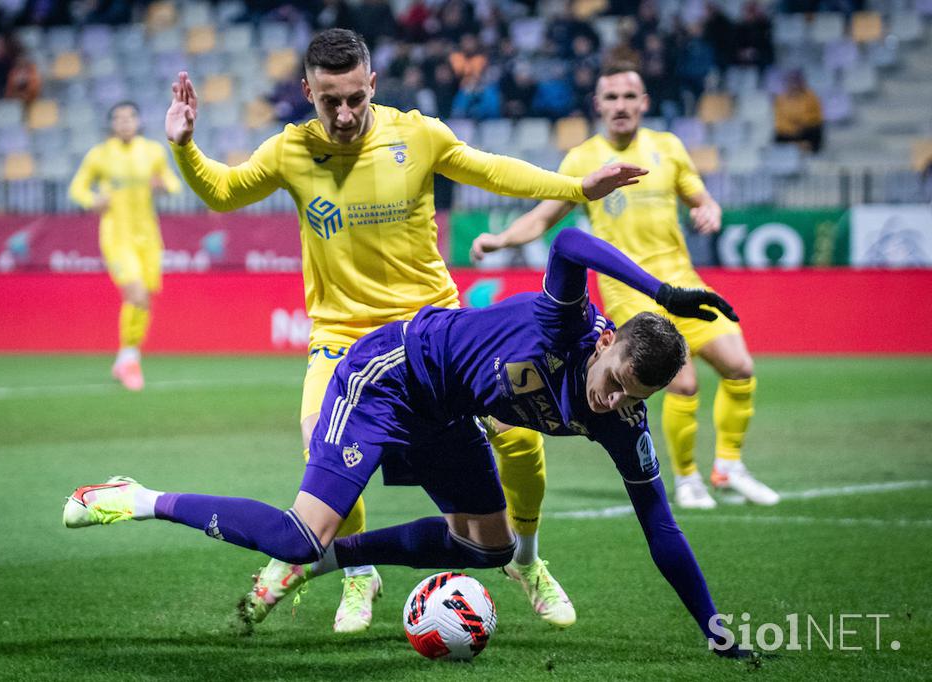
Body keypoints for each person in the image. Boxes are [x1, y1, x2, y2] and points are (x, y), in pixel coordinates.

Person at [63, 226, 748, 658]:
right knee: (298, 533)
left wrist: (711, 626)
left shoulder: (621, 424)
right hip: (388, 376)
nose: (615, 401)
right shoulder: (567, 326)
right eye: (616, 380)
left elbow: (659, 525)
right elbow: (569, 242)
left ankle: (335, 563)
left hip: (446, 416)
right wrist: (661, 291)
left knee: (489, 547)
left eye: (635, 398)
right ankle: (139, 497)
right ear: (605, 343)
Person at [164, 28, 644, 632]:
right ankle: (357, 575)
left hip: (435, 335)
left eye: (354, 99)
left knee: (520, 439)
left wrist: (575, 188)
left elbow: (492, 171)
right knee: (322, 446)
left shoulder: (417, 135)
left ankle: (526, 559)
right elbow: (224, 191)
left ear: (373, 85)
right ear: (307, 91)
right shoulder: (290, 151)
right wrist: (185, 148)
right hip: (340, 337)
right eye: (327, 101)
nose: (342, 114)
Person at [470, 65, 779, 511]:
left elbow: (699, 195)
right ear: (598, 105)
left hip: (683, 282)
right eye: (610, 97)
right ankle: (688, 479)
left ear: (644, 102)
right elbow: (542, 218)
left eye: (628, 97)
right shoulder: (582, 160)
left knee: (740, 367)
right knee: (683, 382)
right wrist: (500, 239)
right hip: (630, 292)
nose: (620, 105)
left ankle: (728, 467)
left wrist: (710, 208)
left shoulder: (668, 148)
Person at [68, 102, 182, 391]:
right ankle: (129, 360)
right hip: (116, 237)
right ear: (111, 124)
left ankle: (126, 357)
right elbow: (77, 188)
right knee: (136, 292)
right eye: (118, 118)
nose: (124, 122)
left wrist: (164, 186)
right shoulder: (100, 155)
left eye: (130, 117)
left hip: (149, 238)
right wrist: (93, 201)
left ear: (138, 121)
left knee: (144, 299)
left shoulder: (152, 151)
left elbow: (171, 181)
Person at [774, 70, 824, 153]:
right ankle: (795, 148)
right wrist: (792, 127)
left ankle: (809, 149)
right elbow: (779, 120)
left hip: (806, 128)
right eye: (791, 82)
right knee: (778, 137)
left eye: (796, 81)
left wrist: (803, 123)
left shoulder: (811, 96)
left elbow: (817, 115)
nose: (794, 85)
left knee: (816, 130)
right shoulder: (780, 99)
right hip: (789, 132)